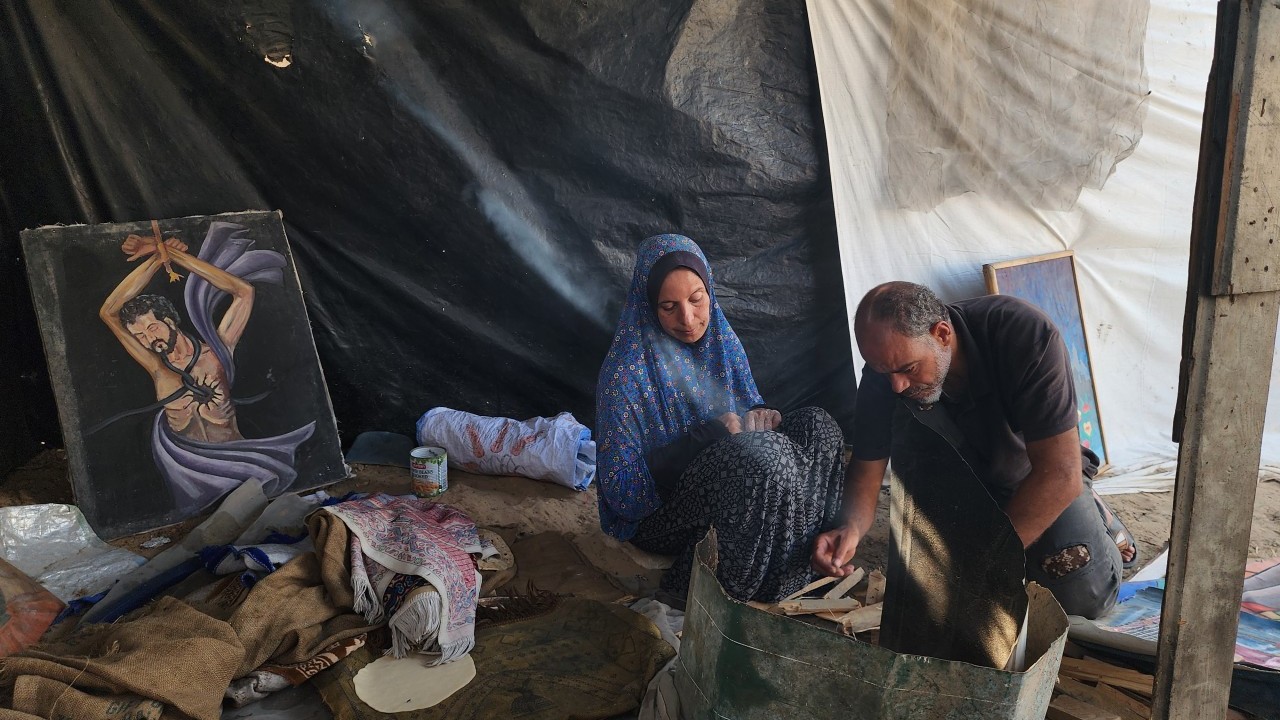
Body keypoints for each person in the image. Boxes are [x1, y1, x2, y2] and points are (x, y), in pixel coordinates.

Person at [811, 281, 1135, 619]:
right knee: (925, 602)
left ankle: (1100, 519)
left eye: (908, 369)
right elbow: (867, 466)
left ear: (942, 334)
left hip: (1036, 483)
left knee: (1082, 598)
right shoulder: (887, 366)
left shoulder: (1025, 334)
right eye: (883, 371)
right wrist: (850, 527)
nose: (897, 385)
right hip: (961, 494)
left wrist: (984, 562)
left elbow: (1061, 473)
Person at [596, 234, 846, 604]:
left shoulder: (721, 341)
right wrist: (708, 435)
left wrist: (761, 414)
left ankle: (806, 565)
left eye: (697, 300)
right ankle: (710, 589)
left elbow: (747, 407)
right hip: (659, 515)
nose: (688, 318)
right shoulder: (626, 374)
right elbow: (621, 491)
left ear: (710, 291)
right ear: (648, 307)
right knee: (758, 459)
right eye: (668, 307)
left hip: (733, 488)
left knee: (817, 426)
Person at [97, 221, 315, 512]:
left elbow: (243, 292)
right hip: (187, 476)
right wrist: (156, 256)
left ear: (170, 320)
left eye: (153, 328)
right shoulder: (157, 368)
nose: (149, 340)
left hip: (238, 467)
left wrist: (176, 257)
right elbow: (109, 312)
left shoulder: (218, 350)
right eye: (140, 336)